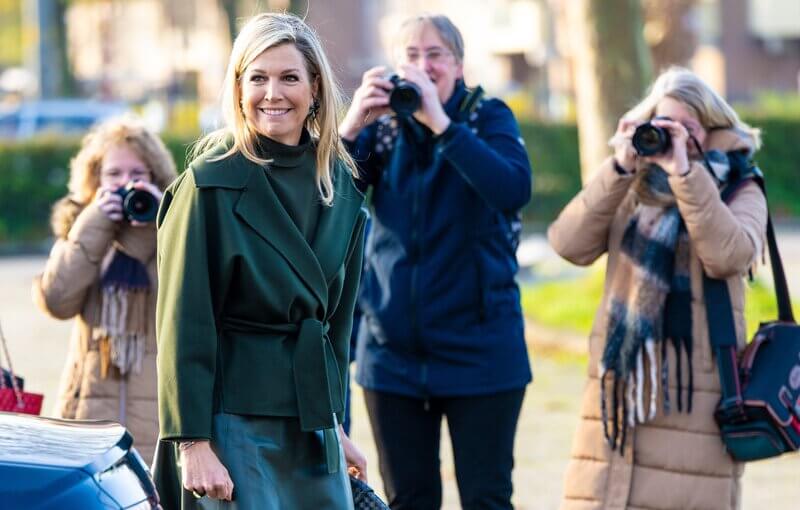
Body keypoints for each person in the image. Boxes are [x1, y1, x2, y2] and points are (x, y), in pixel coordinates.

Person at [152, 12, 368, 510]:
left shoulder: (340, 187)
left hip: (311, 427)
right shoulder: (209, 185)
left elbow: (335, 328)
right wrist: (193, 443)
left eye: (289, 77)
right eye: (258, 78)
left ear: (314, 88)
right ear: (238, 87)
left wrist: (335, 425)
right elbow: (183, 325)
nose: (273, 93)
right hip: (230, 422)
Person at [548, 67, 767, 510]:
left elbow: (728, 254)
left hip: (695, 397)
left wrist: (687, 175)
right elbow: (568, 244)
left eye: (688, 129)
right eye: (665, 126)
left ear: (712, 132)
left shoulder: (741, 186)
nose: (674, 139)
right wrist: (618, 168)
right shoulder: (632, 185)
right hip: (620, 393)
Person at [340, 14, 532, 510]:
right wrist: (351, 123)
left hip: (483, 353)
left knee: (487, 499)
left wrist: (442, 126)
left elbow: (512, 189)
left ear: (459, 66)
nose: (423, 66)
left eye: (435, 55)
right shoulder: (383, 129)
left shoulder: (486, 118)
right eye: (410, 55)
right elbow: (323, 202)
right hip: (392, 357)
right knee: (409, 500)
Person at [32, 117, 177, 464]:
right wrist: (94, 223)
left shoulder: (175, 232)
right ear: (94, 179)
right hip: (85, 417)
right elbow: (56, 301)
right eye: (114, 174)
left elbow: (188, 304)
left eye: (137, 175)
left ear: (155, 179)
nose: (126, 184)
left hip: (157, 424)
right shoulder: (79, 229)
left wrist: (163, 219)